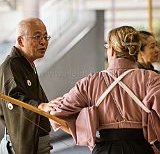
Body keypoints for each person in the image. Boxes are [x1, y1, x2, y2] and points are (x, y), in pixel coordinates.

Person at [39, 25, 160, 154]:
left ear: (112, 50)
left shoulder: (90, 82)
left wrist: (86, 136)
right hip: (142, 148)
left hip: (105, 149)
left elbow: (57, 114)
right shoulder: (152, 79)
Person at [0, 18, 53, 154]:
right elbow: (14, 102)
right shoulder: (11, 65)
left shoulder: (27, 64)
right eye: (37, 36)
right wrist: (40, 106)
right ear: (20, 41)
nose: (43, 42)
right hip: (20, 145)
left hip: (39, 141)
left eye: (45, 36)